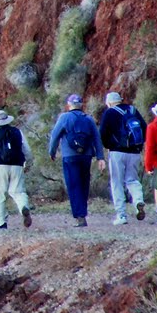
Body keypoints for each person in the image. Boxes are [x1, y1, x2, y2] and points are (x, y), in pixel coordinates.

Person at [48, 93, 103, 227]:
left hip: (69, 156)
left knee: (73, 185)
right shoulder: (88, 119)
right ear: (81, 105)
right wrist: (100, 157)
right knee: (84, 184)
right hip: (86, 156)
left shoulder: (64, 118)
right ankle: (82, 212)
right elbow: (97, 139)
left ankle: (80, 216)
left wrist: (52, 152)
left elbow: (55, 135)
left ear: (69, 105)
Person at [98, 91, 147, 225]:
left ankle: (121, 215)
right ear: (120, 99)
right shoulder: (132, 110)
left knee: (117, 182)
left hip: (117, 152)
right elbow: (144, 128)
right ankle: (138, 200)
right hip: (135, 152)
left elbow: (102, 133)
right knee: (132, 179)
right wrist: (139, 147)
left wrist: (109, 146)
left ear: (108, 103)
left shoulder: (110, 112)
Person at [0, 109, 32, 229]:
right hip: (17, 164)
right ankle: (23, 208)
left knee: (0, 194)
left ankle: (1, 222)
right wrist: (28, 163)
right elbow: (27, 150)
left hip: (0, 166)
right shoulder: (18, 132)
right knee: (18, 191)